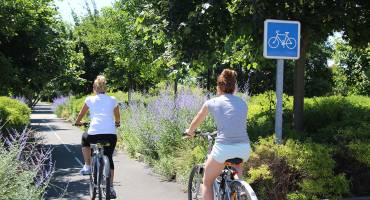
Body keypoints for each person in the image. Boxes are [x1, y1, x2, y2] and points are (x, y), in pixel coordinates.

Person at [185, 69, 251, 200]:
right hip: (244, 148)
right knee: (236, 167)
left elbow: (196, 120)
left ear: (218, 87)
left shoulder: (212, 102)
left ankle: (237, 191)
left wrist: (190, 132)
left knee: (208, 182)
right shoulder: (243, 103)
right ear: (234, 87)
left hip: (223, 148)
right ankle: (239, 189)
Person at [75, 75, 120, 199]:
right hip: (110, 135)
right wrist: (117, 123)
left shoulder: (90, 99)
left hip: (94, 134)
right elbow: (117, 117)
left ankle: (88, 166)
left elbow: (80, 115)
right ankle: (110, 188)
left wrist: (78, 122)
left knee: (85, 138)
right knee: (109, 157)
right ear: (106, 87)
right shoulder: (113, 99)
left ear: (94, 88)